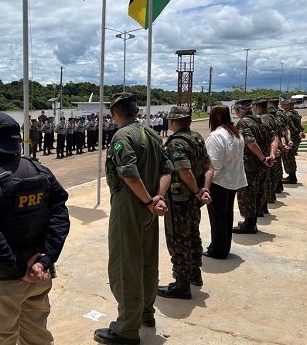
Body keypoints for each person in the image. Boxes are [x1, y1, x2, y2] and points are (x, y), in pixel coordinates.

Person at [0, 110, 70, 345]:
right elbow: (60, 216)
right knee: (36, 338)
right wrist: (43, 261)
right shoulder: (40, 171)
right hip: (39, 277)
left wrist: (19, 269)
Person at [94, 93, 173, 345]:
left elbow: (128, 174)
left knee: (125, 265)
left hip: (130, 205)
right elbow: (166, 170)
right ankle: (146, 314)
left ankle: (127, 328)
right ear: (137, 111)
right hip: (149, 206)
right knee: (147, 262)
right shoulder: (150, 134)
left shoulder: (122, 136)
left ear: (113, 114)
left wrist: (149, 201)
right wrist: (158, 198)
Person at [158, 106, 213, 300]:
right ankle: (194, 273)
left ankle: (181, 284)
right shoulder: (197, 138)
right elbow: (208, 167)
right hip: (193, 199)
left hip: (180, 200)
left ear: (172, 122)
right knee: (192, 234)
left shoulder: (176, 143)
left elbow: (184, 172)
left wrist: (199, 191)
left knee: (178, 239)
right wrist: (203, 189)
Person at [204, 105, 247, 259]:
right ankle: (223, 247)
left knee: (218, 217)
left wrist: (205, 187)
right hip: (232, 180)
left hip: (219, 182)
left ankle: (218, 249)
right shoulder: (235, 134)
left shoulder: (217, 136)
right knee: (226, 215)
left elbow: (213, 165)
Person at [232, 99, 275, 234]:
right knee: (258, 193)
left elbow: (251, 143)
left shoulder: (243, 123)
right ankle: (252, 221)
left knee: (248, 194)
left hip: (251, 166)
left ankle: (249, 224)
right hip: (263, 165)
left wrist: (262, 158)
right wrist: (271, 155)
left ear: (238, 110)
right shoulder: (262, 120)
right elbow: (274, 138)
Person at [281, 99, 305, 184]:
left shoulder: (288, 114)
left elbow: (290, 127)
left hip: (290, 139)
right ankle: (292, 176)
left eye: (283, 104)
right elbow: (300, 126)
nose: (282, 106)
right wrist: (300, 132)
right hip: (296, 139)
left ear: (288, 105)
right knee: (291, 157)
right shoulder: (296, 113)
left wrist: (296, 133)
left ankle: (291, 177)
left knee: (288, 158)